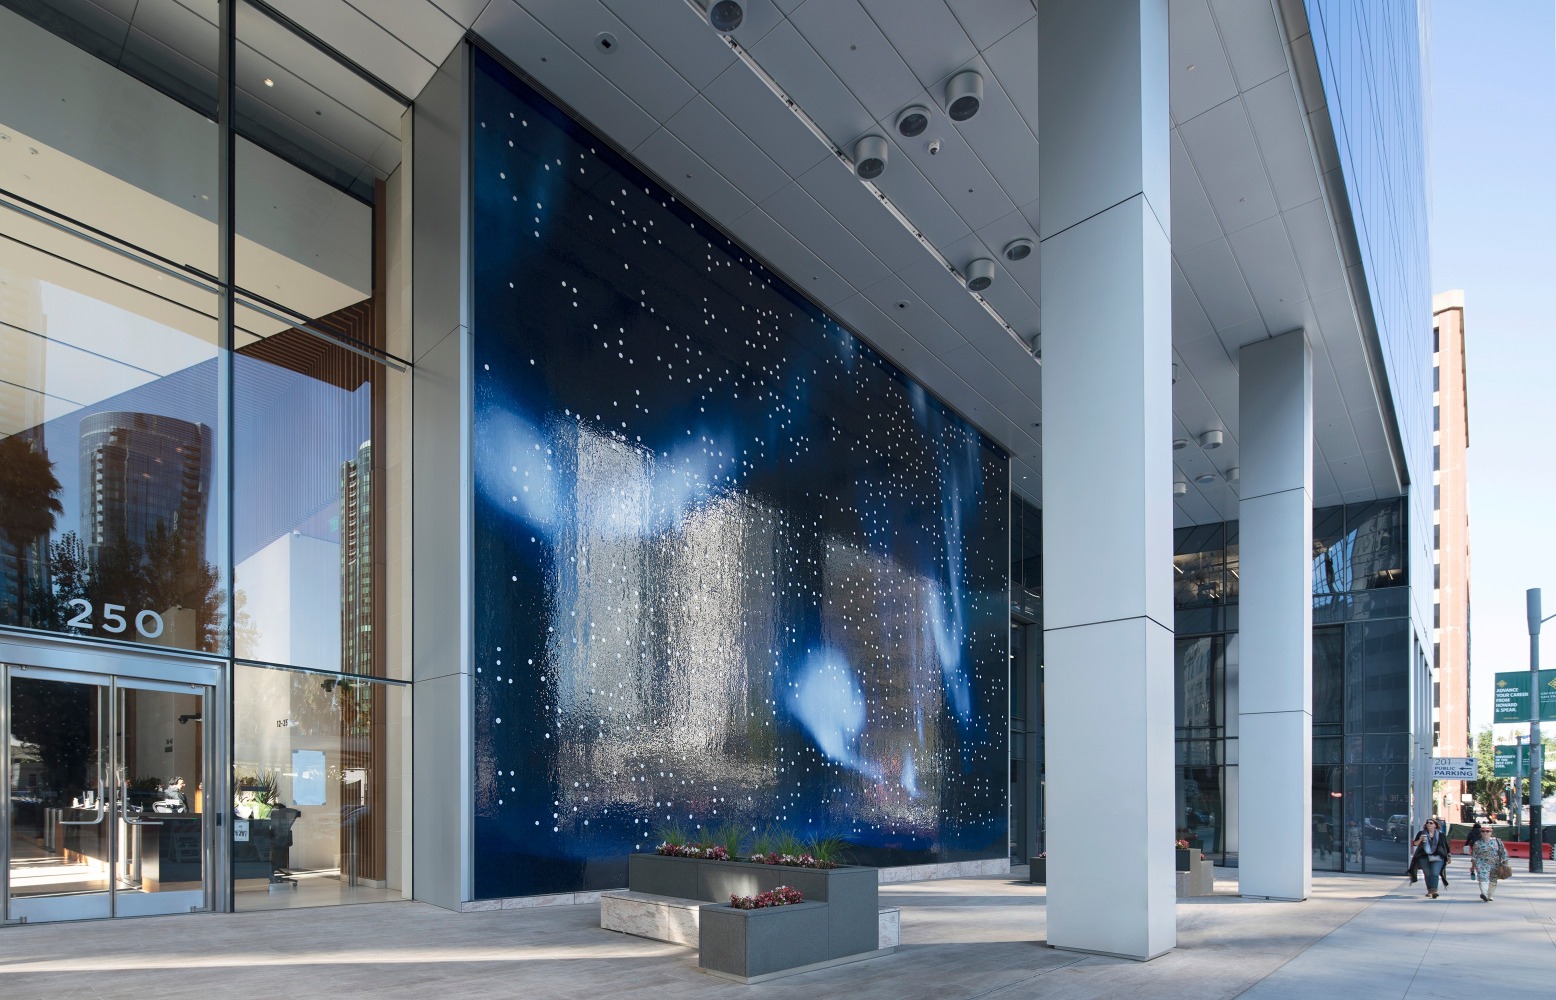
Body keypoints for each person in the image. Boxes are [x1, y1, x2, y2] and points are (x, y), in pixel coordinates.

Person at [1407, 818, 1450, 898]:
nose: (1429, 824)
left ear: (1435, 825)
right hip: (1424, 856)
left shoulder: (1440, 834)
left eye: (1431, 823)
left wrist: (1448, 856)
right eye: (1427, 823)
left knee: (1435, 873)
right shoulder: (1422, 833)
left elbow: (1445, 846)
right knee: (1427, 873)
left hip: (1438, 856)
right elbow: (1415, 844)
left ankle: (1434, 890)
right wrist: (1420, 840)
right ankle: (1429, 890)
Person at [1469, 825, 1509, 902]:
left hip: (1495, 863)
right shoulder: (1477, 843)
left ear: (1491, 832)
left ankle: (1490, 895)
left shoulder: (1497, 841)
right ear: (1480, 833)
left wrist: (1505, 862)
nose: (1485, 833)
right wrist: (1473, 867)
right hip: (1481, 863)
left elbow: (1503, 852)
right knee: (1483, 877)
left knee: (1493, 879)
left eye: (1487, 831)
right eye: (1483, 831)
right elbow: (1474, 856)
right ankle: (1484, 894)